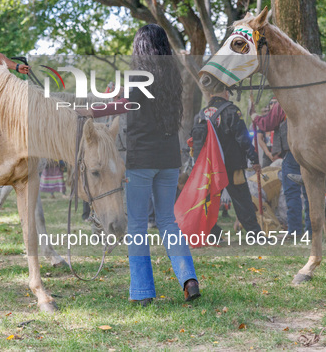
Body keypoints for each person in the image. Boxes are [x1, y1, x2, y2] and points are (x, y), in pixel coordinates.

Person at [122, 24, 200, 306]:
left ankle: (142, 292)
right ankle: (188, 279)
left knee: (138, 226)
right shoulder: (173, 77)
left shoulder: (135, 78)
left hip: (140, 160)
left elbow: (121, 108)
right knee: (168, 221)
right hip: (169, 159)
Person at [194, 89, 264, 238]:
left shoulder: (201, 114)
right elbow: (243, 139)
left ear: (211, 95)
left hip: (209, 167)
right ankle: (255, 234)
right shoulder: (232, 111)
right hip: (232, 166)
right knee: (242, 200)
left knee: (208, 201)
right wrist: (254, 159)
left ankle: (211, 232)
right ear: (225, 93)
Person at [252, 101, 311, 238]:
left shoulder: (285, 100)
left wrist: (254, 115)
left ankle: (295, 231)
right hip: (310, 152)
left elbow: (267, 124)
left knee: (292, 193)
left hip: (292, 152)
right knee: (310, 192)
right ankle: (311, 231)